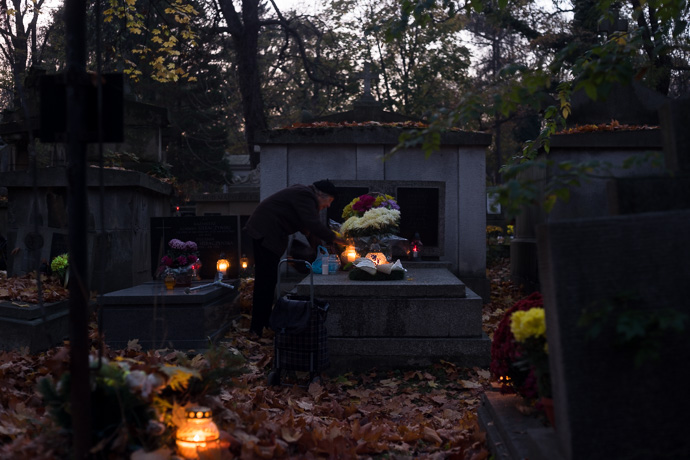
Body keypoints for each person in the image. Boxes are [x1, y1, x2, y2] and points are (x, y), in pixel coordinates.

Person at [244, 179, 344, 338]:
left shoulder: (305, 197)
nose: (329, 206)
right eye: (329, 201)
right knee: (265, 282)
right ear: (321, 195)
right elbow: (312, 225)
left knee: (269, 281)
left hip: (268, 234)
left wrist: (321, 250)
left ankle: (264, 324)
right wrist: (338, 239)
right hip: (265, 234)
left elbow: (308, 230)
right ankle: (256, 329)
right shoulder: (305, 195)